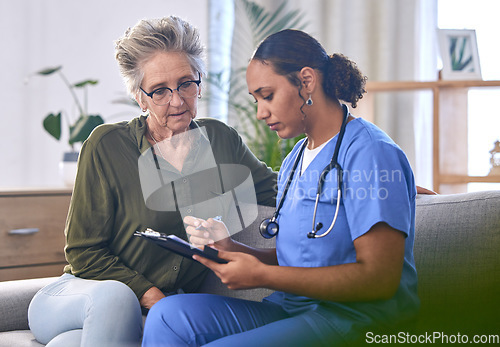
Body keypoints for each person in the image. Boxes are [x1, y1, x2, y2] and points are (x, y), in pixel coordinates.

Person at [142, 29, 420, 346]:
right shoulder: (295, 160)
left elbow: (379, 280)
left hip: (354, 320)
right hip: (292, 308)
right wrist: (234, 249)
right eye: (256, 99)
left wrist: (261, 276)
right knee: (167, 315)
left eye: (268, 95)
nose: (260, 112)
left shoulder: (371, 153)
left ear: (306, 81)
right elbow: (303, 255)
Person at [27, 16, 276, 347]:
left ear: (199, 83)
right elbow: (84, 253)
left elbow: (280, 191)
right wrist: (151, 296)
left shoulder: (221, 141)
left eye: (186, 83)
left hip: (141, 316)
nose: (176, 100)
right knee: (117, 299)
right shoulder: (106, 145)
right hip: (77, 297)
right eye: (159, 90)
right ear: (139, 97)